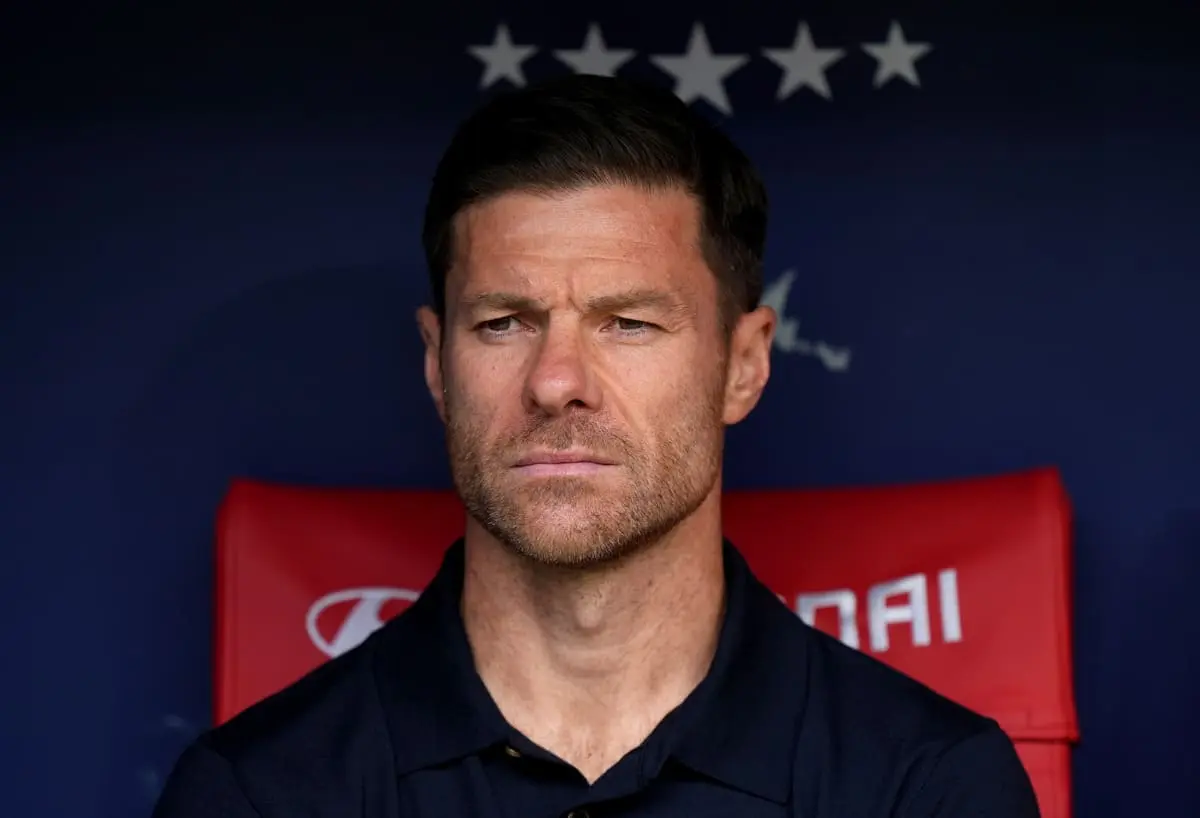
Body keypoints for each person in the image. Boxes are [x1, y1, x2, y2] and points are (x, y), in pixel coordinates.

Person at [153, 74, 1041, 817]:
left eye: (629, 323)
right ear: (436, 363)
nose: (556, 379)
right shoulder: (261, 794)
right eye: (503, 323)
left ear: (744, 364)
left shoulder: (925, 786)